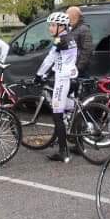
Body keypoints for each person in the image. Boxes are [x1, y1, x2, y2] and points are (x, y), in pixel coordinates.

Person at [34, 12, 78, 163]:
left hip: (63, 80)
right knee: (70, 108)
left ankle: (63, 152)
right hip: (70, 77)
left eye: (53, 25)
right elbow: (62, 61)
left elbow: (50, 59)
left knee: (57, 114)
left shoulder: (60, 40)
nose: (50, 28)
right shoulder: (69, 37)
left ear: (61, 26)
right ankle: (79, 143)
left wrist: (39, 75)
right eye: (50, 25)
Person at [66, 7, 93, 77]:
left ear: (74, 16)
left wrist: (78, 68)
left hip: (79, 70)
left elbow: (87, 51)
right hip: (72, 68)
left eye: (68, 16)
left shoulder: (83, 29)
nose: (67, 19)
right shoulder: (73, 28)